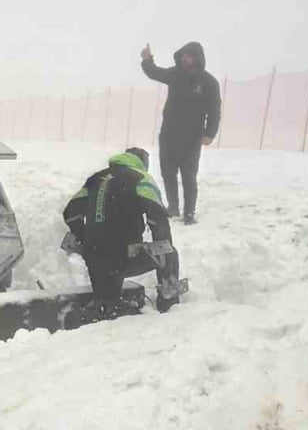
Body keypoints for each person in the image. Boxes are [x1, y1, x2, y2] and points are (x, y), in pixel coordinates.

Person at [62, 147, 183, 319]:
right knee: (169, 253)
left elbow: (70, 213)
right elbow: (157, 216)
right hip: (123, 256)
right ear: (142, 163)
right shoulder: (140, 177)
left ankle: (107, 301)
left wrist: (85, 238)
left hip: (95, 258)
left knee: (108, 294)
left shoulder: (96, 178)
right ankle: (168, 304)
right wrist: (164, 246)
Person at [141, 40, 221, 225]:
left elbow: (214, 110)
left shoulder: (209, 83)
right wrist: (147, 60)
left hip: (192, 137)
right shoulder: (175, 74)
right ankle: (173, 207)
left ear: (197, 58)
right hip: (169, 133)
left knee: (188, 176)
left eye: (189, 56)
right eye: (184, 55)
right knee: (168, 173)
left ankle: (189, 213)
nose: (185, 59)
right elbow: (155, 72)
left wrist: (210, 133)